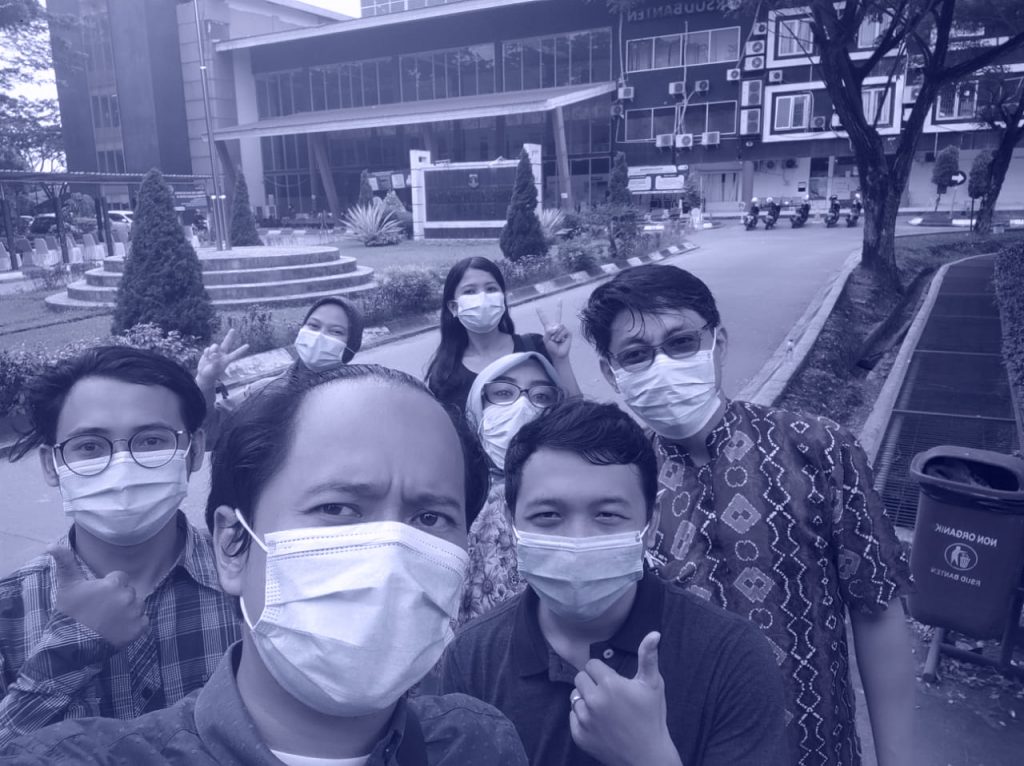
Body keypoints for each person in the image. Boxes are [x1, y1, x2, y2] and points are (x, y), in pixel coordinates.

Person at [0, 365, 528, 765]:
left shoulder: (476, 743)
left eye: (431, 518)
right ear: (233, 545)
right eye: (338, 508)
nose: (390, 553)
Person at [579, 264, 915, 766]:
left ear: (718, 344)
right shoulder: (621, 484)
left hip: (815, 749)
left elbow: (877, 608)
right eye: (636, 354)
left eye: (681, 343)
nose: (662, 365)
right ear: (612, 373)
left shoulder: (819, 448)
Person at [440, 399, 789, 766]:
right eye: (548, 515)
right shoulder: (472, 658)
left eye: (607, 514)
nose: (578, 539)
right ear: (512, 523)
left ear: (651, 525)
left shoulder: (731, 656)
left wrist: (648, 756)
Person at [0, 347, 240, 745]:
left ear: (195, 450)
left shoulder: (252, 584)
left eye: (151, 441)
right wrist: (69, 650)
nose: (123, 466)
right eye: (89, 446)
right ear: (51, 465)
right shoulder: (9, 610)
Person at [460, 351, 565, 623]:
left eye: (541, 396)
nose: (522, 407)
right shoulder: (454, 492)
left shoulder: (578, 493)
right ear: (478, 405)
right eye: (504, 393)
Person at [425, 257, 579, 416]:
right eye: (470, 291)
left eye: (491, 289)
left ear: (502, 299)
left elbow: (578, 415)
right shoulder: (445, 374)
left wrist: (560, 359)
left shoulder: (535, 349)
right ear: (453, 307)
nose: (483, 298)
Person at [195, 295, 364, 441]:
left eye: (336, 332)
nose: (320, 336)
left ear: (351, 347)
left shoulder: (361, 403)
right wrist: (205, 382)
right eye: (313, 326)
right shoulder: (263, 392)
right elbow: (207, 435)